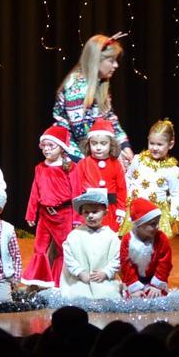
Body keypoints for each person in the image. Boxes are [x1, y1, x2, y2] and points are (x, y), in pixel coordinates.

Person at [53, 33, 133, 164]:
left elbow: (110, 119)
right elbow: (82, 135)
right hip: (76, 159)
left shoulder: (99, 85)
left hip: (93, 154)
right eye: (111, 61)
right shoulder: (77, 89)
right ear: (97, 60)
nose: (116, 65)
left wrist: (124, 146)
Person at [23, 125, 81, 287]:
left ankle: (60, 282)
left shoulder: (70, 168)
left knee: (64, 249)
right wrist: (31, 213)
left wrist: (77, 219)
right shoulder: (40, 167)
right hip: (44, 215)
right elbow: (35, 191)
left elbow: (77, 193)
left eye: (51, 146)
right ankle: (38, 281)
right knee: (39, 248)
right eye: (44, 146)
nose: (47, 150)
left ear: (62, 147)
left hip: (64, 215)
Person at [124, 119, 179, 238]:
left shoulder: (172, 170)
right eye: (152, 143)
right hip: (135, 211)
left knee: (153, 247)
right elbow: (128, 178)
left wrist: (173, 215)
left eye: (159, 144)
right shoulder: (138, 160)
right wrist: (127, 197)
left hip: (156, 216)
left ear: (170, 144)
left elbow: (176, 194)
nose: (155, 148)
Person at [60, 191, 122, 300]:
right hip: (79, 279)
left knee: (110, 296)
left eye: (94, 212)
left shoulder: (111, 236)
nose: (90, 216)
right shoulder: (75, 235)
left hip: (104, 280)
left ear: (105, 212)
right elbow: (69, 257)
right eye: (86, 212)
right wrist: (80, 273)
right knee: (77, 296)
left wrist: (106, 272)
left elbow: (117, 258)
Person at [76, 119, 128, 232]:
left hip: (110, 209)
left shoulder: (116, 164)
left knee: (109, 234)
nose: (98, 147)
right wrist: (78, 210)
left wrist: (121, 209)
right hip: (88, 208)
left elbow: (121, 188)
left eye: (103, 143)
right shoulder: (83, 163)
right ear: (88, 144)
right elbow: (77, 188)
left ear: (111, 144)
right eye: (94, 143)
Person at [120, 198, 174, 298]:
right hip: (133, 280)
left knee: (157, 298)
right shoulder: (127, 240)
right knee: (132, 299)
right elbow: (126, 266)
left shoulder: (161, 238)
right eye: (153, 224)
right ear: (139, 224)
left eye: (158, 222)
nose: (157, 226)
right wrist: (134, 287)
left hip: (154, 279)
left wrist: (156, 285)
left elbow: (165, 263)